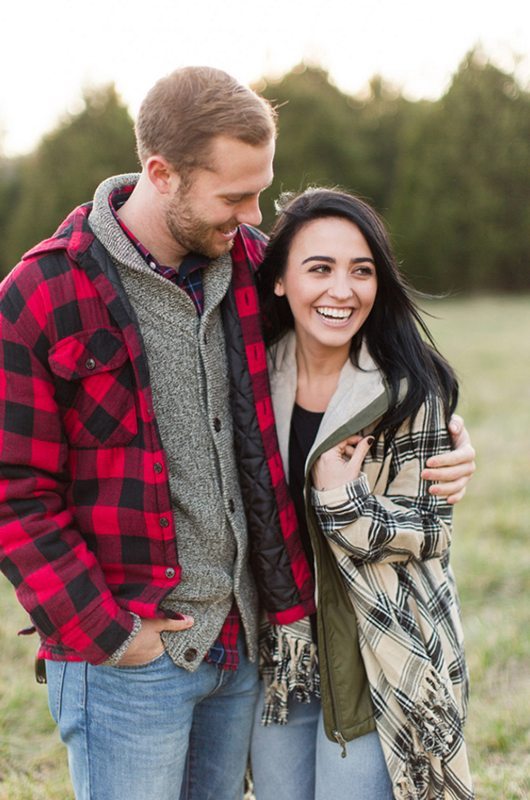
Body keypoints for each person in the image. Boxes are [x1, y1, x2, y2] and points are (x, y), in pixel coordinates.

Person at [0, 68, 474, 800]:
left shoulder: (248, 266)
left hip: (244, 643)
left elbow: (347, 344)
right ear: (162, 174)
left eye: (261, 189)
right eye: (234, 196)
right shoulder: (43, 294)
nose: (256, 216)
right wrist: (113, 635)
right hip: (127, 658)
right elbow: (13, 491)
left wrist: (440, 432)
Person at [250, 188, 474, 800]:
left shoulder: (405, 390)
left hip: (380, 651)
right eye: (319, 268)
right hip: (283, 653)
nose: (342, 290)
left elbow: (433, 529)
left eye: (362, 270)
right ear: (279, 281)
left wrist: (344, 504)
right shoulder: (249, 380)